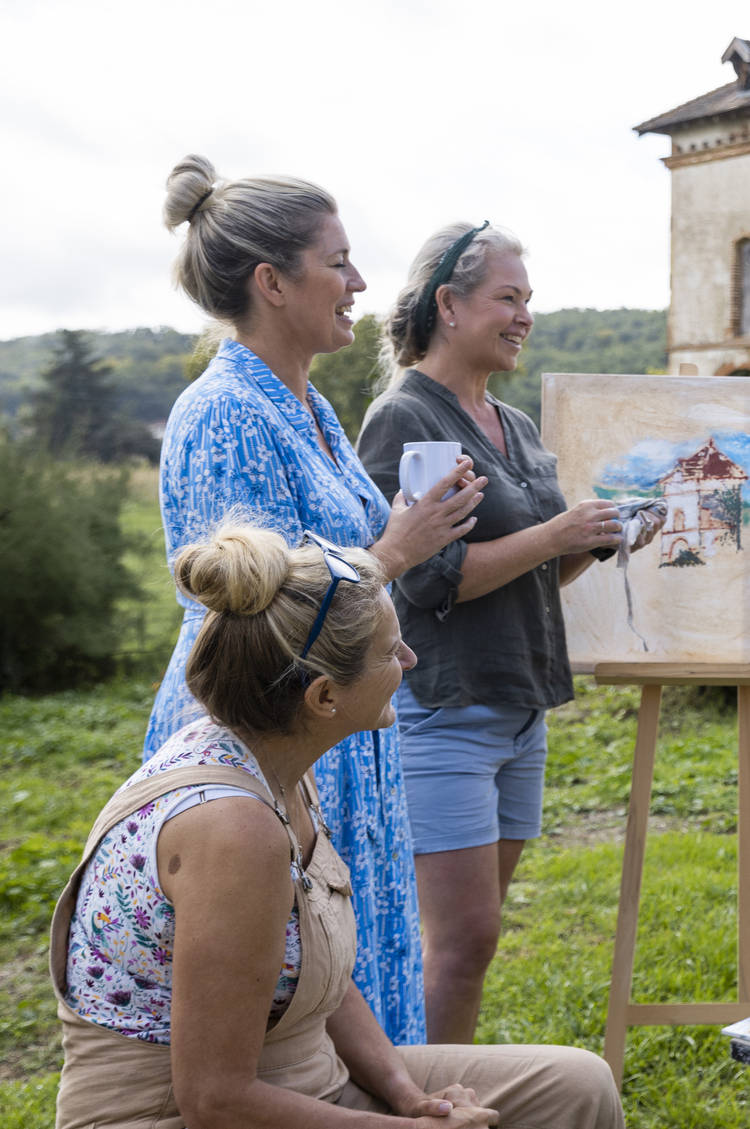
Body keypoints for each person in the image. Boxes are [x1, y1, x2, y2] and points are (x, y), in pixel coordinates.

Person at [51, 521, 639, 1129]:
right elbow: (212, 1096)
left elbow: (318, 972)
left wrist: (407, 1095)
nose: (407, 654)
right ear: (323, 695)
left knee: (572, 1090)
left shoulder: (276, 760)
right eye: (387, 648)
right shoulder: (231, 826)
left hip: (283, 1090)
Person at [150, 155, 485, 1045]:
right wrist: (396, 550)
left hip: (333, 731)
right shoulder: (223, 413)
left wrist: (412, 533)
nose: (360, 283)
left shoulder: (310, 408)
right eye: (338, 262)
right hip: (267, 737)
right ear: (272, 281)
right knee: (290, 999)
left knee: (354, 968)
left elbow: (332, 572)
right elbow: (263, 618)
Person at [355, 222, 659, 1044]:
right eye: (509, 299)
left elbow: (528, 572)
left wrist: (590, 546)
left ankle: (437, 1094)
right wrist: (556, 534)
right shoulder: (405, 418)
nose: (525, 316)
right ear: (449, 306)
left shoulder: (515, 425)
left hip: (520, 711)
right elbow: (429, 579)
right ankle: (424, 1116)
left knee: (474, 940)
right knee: (462, 940)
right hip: (442, 707)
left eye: (529, 301)